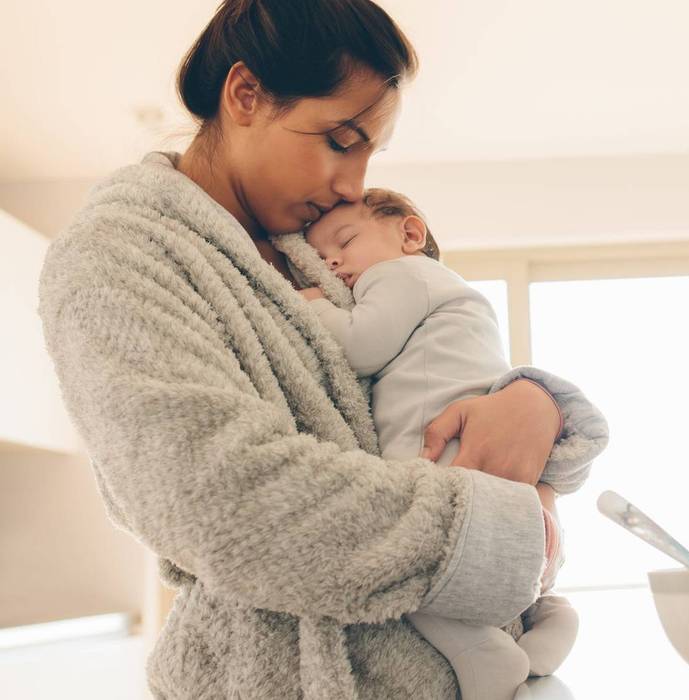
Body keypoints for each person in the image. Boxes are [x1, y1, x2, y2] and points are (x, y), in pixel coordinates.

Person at [35, 1, 608, 698]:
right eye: (340, 140)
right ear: (245, 94)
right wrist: (500, 529)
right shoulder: (119, 253)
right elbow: (217, 499)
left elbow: (420, 373)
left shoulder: (307, 254)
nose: (355, 184)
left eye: (369, 151)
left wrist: (531, 399)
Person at [295, 189, 581, 699]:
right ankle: (554, 618)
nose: (331, 261)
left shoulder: (405, 275)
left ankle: (480, 650)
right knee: (516, 569)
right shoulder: (445, 296)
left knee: (417, 568)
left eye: (344, 241)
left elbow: (362, 346)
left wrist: (311, 304)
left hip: (443, 449)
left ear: (409, 234)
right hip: (489, 464)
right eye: (319, 257)